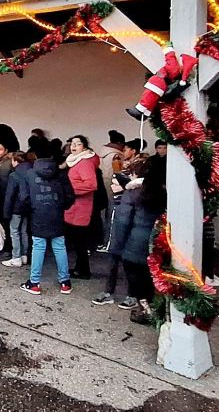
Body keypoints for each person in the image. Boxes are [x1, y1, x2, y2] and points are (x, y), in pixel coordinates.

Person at [109, 155, 166, 325]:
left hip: (136, 242)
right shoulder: (166, 192)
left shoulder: (133, 192)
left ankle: (145, 309)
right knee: (153, 276)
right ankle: (155, 307)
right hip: (160, 241)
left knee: (136, 277)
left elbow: (123, 221)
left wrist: (118, 245)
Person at [16, 139, 76, 296]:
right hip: (57, 214)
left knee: (38, 246)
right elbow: (70, 196)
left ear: (35, 155)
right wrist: (61, 207)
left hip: (38, 214)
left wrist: (32, 209)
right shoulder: (61, 174)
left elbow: (24, 198)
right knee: (59, 246)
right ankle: (65, 283)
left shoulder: (29, 174)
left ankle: (34, 283)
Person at [94, 158, 147, 309]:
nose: (112, 186)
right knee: (112, 266)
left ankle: (132, 295)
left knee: (130, 270)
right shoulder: (114, 200)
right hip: (114, 239)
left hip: (127, 240)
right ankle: (108, 292)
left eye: (116, 184)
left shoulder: (129, 199)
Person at [62, 135, 100, 279]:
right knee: (78, 241)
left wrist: (70, 189)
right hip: (75, 206)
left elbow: (91, 184)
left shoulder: (85, 163)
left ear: (84, 147)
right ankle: (80, 268)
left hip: (80, 207)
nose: (74, 146)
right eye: (72, 143)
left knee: (80, 241)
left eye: (78, 144)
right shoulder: (75, 160)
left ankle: (83, 271)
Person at [1, 148, 36, 267]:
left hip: (16, 208)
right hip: (28, 207)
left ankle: (16, 257)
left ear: (15, 161)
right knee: (24, 231)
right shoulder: (32, 172)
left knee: (14, 231)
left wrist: (6, 213)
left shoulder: (14, 175)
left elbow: (9, 195)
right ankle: (24, 256)